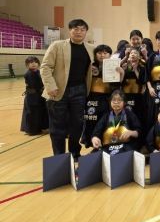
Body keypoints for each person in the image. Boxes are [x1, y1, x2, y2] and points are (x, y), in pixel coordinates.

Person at [40, 19, 95, 158]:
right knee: (57, 126)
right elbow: (45, 67)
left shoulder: (91, 48)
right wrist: (50, 86)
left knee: (77, 124)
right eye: (76, 29)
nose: (79, 32)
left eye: (82, 29)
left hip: (80, 91)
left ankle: (75, 153)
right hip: (58, 91)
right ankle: (59, 157)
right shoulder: (57, 45)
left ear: (86, 32)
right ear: (70, 30)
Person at [82, 44, 121, 148]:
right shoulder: (89, 65)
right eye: (99, 53)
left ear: (110, 55)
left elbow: (117, 85)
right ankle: (91, 143)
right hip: (92, 97)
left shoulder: (114, 66)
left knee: (105, 120)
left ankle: (105, 142)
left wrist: (121, 73)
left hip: (106, 98)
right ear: (95, 54)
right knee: (91, 119)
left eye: (105, 53)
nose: (102, 55)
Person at [91, 89, 141, 155]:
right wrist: (95, 138)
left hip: (125, 146)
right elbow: (96, 132)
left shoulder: (129, 115)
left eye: (119, 100)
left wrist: (131, 132)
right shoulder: (106, 116)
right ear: (110, 102)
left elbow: (138, 132)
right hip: (108, 147)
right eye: (114, 100)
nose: (116, 102)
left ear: (124, 102)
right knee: (93, 155)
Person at [121, 47, 147, 134]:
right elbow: (120, 81)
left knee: (138, 116)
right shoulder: (125, 67)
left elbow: (142, 81)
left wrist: (135, 70)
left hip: (138, 96)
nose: (133, 54)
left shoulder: (142, 67)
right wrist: (123, 70)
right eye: (131, 53)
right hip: (126, 96)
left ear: (139, 57)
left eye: (135, 53)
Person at [20, 56, 48, 135]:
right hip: (32, 97)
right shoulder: (28, 74)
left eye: (35, 62)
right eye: (31, 62)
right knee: (32, 113)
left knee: (40, 112)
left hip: (39, 96)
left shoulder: (39, 72)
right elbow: (35, 85)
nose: (33, 64)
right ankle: (32, 130)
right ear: (27, 65)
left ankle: (39, 128)